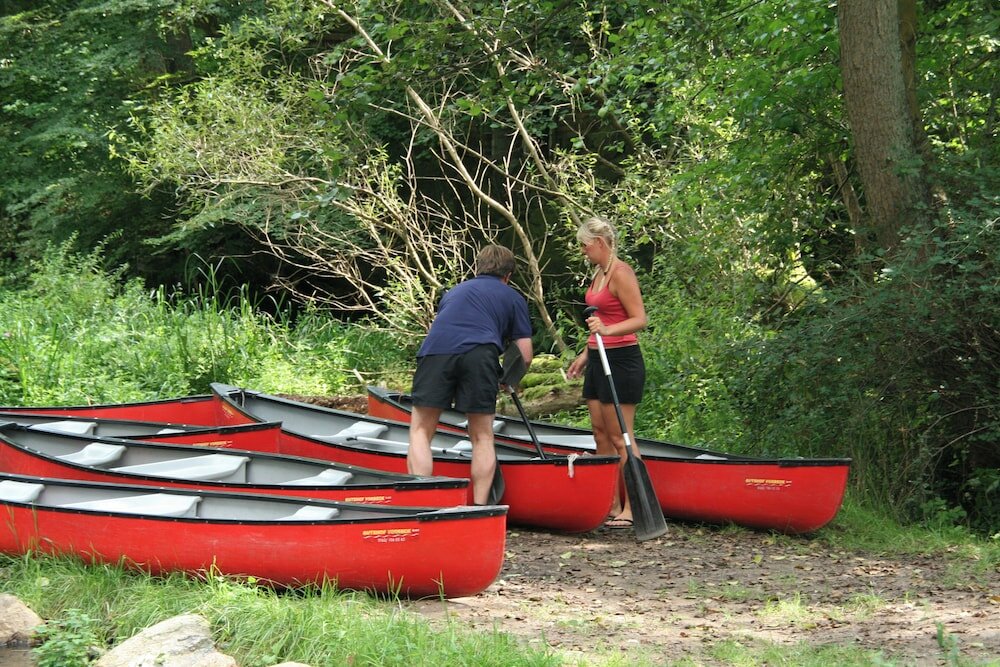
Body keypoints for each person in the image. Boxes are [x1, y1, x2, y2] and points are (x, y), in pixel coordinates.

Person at [407, 244, 534, 505]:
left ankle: (421, 501)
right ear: (508, 275)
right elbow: (525, 354)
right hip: (480, 353)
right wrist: (509, 380)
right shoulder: (513, 297)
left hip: (436, 351)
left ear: (478, 268)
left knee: (420, 430)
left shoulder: (453, 292)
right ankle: (479, 506)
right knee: (482, 436)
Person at [566, 216, 648, 529]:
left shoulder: (621, 272)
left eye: (585, 246)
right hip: (598, 358)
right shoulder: (599, 272)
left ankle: (634, 506)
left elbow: (639, 319)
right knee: (600, 433)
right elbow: (601, 322)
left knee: (620, 435)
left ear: (600, 243)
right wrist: (586, 354)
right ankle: (610, 503)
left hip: (622, 360)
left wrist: (607, 331)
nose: (583, 251)